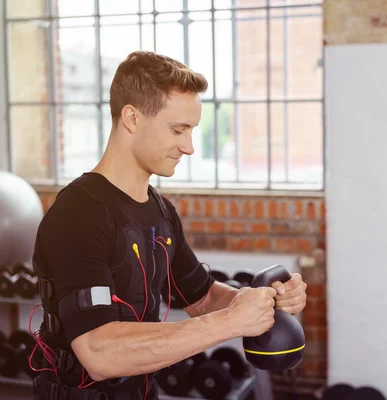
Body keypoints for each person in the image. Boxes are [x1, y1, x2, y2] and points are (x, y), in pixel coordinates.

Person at [30, 51, 308, 400]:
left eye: (191, 131)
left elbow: (202, 297)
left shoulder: (160, 211)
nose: (189, 147)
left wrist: (260, 301)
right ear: (131, 117)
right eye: (178, 130)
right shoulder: (79, 214)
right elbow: (99, 352)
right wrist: (231, 323)